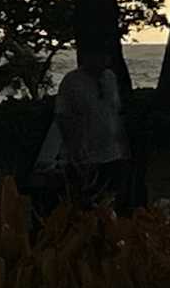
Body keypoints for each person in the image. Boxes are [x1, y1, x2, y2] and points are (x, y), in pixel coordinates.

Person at [54, 48, 132, 210]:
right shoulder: (72, 81)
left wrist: (123, 147)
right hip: (85, 158)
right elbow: (63, 117)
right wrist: (74, 150)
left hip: (112, 154)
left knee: (112, 204)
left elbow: (115, 114)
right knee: (85, 206)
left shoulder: (110, 78)